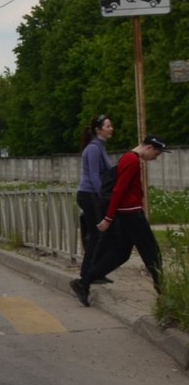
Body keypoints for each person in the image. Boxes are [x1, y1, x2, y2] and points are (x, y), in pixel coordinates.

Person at [70, 135, 169, 307]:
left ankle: (83, 283)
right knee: (152, 252)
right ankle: (165, 294)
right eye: (157, 153)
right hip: (132, 214)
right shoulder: (132, 160)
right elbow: (119, 190)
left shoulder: (128, 158)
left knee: (120, 254)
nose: (156, 158)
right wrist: (108, 218)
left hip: (126, 214)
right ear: (149, 148)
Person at [76, 114, 114, 284]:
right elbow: (93, 176)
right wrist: (104, 196)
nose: (111, 129)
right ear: (98, 130)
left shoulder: (100, 147)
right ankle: (88, 273)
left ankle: (96, 271)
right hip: (89, 194)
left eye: (111, 126)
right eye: (108, 126)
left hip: (93, 195)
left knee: (101, 235)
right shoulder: (93, 148)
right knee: (96, 235)